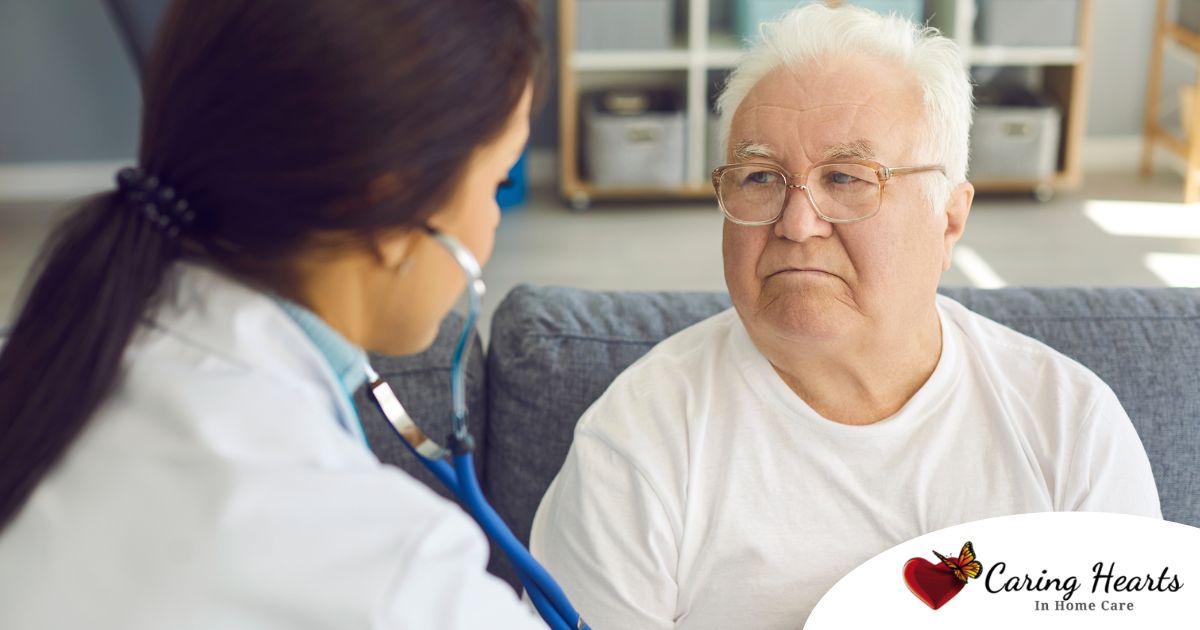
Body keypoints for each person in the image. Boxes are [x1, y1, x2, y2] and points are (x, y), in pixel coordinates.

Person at [528, 5, 1161, 629]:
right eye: (759, 177)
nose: (797, 224)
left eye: (847, 178)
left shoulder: (1071, 427)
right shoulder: (638, 442)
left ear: (949, 218)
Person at [0, 1, 548, 628]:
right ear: (391, 203)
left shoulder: (58, 362)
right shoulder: (395, 575)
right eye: (497, 184)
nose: (493, 222)